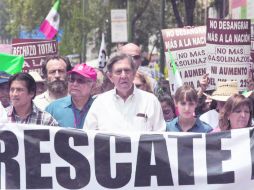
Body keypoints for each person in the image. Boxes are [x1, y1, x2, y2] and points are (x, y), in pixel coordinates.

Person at [84, 52, 165, 132]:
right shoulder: (100, 102)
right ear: (110, 77)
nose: (123, 76)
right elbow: (88, 137)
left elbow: (160, 137)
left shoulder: (150, 101)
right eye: (118, 71)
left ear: (133, 74)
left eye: (127, 71)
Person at [46, 63, 97, 129]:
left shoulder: (99, 107)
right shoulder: (53, 108)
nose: (74, 84)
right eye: (72, 80)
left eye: (80, 80)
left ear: (93, 85)